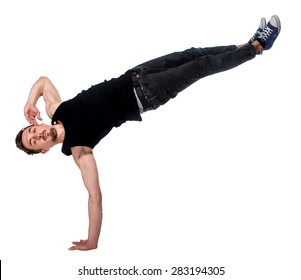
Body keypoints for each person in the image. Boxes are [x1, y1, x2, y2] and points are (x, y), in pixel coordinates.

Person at [15, 15, 281, 251]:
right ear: (44, 149)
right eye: (34, 142)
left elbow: (42, 81)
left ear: (35, 124)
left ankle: (248, 44)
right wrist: (92, 241)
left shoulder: (56, 109)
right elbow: (95, 196)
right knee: (203, 66)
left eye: (32, 131)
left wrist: (29, 102)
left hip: (137, 74)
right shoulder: (79, 148)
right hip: (148, 93)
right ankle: (258, 47)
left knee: (194, 53)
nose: (37, 135)